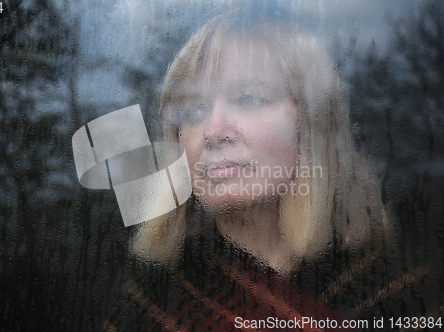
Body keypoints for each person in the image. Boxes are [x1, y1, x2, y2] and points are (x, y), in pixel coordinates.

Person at [105, 11, 420, 331]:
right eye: (191, 110)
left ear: (312, 126)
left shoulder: (398, 294)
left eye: (250, 98)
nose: (212, 131)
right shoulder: (149, 306)